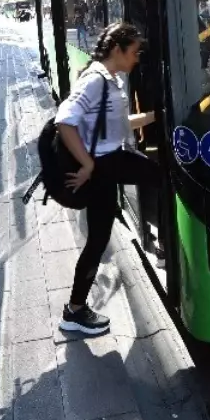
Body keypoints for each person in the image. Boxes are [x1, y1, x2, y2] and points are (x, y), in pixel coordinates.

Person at [54, 23, 158, 336]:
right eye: (134, 52)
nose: (137, 58)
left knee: (98, 239)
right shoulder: (96, 80)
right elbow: (64, 120)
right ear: (117, 50)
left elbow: (119, 123)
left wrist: (157, 114)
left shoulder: (110, 79)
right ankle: (74, 311)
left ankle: (74, 308)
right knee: (163, 177)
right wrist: (86, 164)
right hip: (104, 164)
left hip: (110, 162)